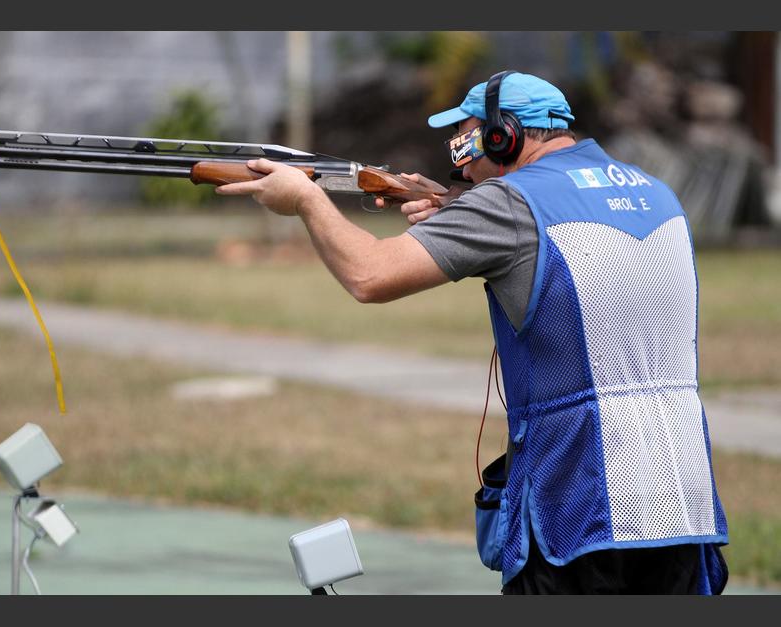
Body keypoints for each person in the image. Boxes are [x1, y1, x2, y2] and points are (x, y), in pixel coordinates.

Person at [215, 70, 729, 595]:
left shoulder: (507, 203)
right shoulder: (657, 193)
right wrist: (459, 213)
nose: (460, 155)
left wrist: (306, 200)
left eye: (467, 137)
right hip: (680, 498)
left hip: (581, 502)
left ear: (504, 134)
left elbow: (368, 275)